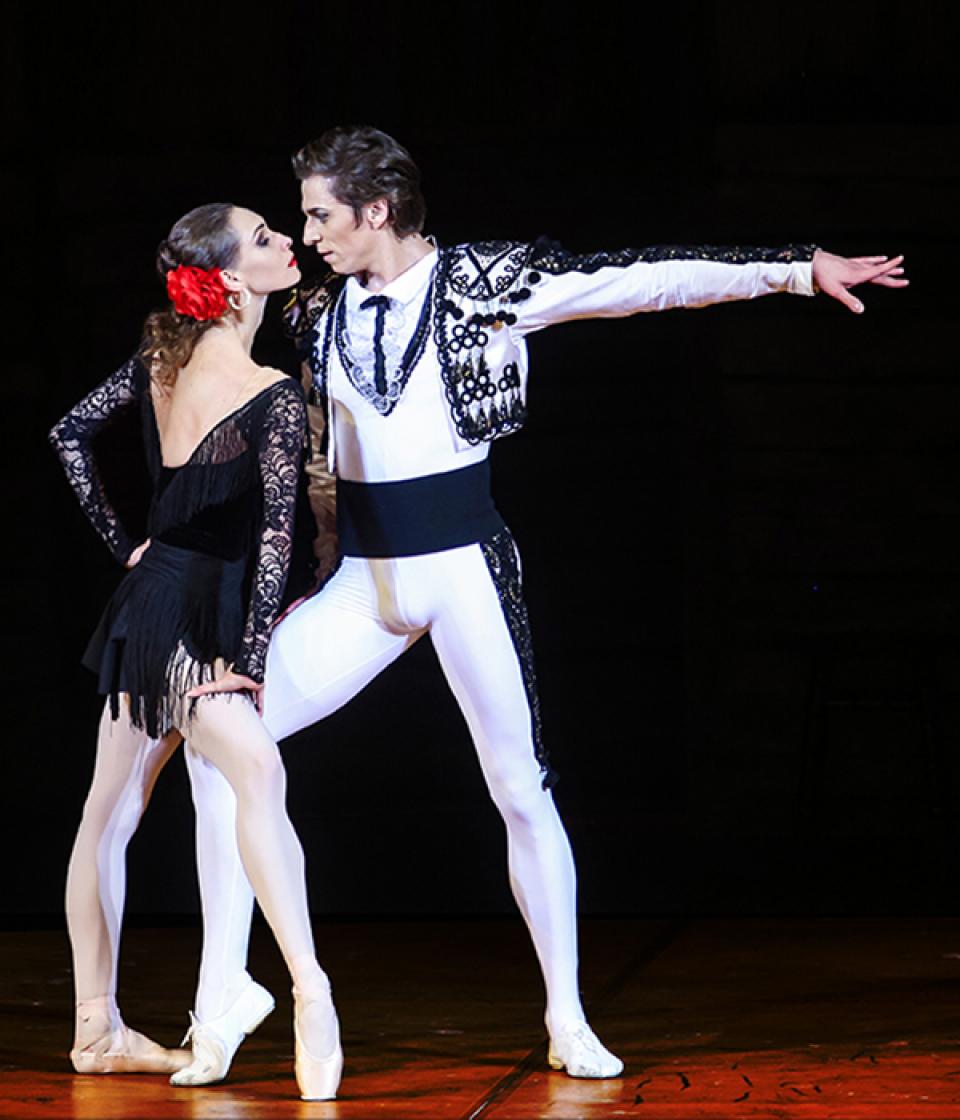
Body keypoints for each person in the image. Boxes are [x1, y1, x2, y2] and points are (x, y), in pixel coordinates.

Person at [86, 126, 910, 1087]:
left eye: (319, 215)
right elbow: (253, 417)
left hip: (462, 568)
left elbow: (639, 281)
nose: (307, 234)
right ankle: (222, 1000)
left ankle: (567, 1015)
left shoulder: (486, 283)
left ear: (375, 210)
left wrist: (797, 270)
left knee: (519, 788)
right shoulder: (313, 313)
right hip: (362, 584)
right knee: (224, 748)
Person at [48, 202, 343, 1101]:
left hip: (148, 606)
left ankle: (96, 1029)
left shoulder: (162, 362)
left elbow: (68, 434)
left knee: (108, 816)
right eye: (264, 239)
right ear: (230, 280)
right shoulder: (269, 392)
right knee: (255, 770)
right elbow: (277, 538)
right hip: (188, 620)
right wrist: (248, 658)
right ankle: (309, 992)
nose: (285, 243)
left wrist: (126, 548)